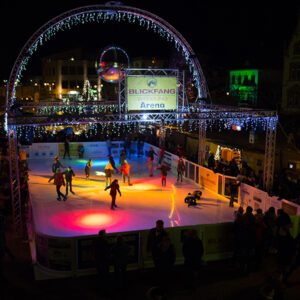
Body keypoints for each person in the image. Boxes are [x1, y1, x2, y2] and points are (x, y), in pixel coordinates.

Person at [95, 230, 111, 295]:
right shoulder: (105, 242)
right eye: (105, 234)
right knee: (105, 274)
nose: (106, 235)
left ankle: (100, 287)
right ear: (103, 235)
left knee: (100, 273)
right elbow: (107, 251)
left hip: (99, 260)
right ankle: (105, 288)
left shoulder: (96, 242)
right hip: (104, 261)